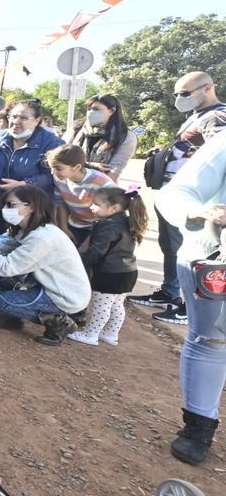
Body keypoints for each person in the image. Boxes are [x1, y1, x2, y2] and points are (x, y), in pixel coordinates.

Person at [131, 71, 226, 324]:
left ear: (208, 88)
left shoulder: (218, 117)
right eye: (177, 94)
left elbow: (216, 156)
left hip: (197, 200)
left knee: (191, 251)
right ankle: (170, 293)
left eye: (185, 93)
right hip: (175, 194)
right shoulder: (197, 116)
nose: (179, 99)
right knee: (171, 247)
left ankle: (188, 305)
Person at [156, 129, 226, 465]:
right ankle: (200, 424)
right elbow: (176, 194)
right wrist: (201, 212)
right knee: (212, 341)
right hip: (214, 257)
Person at [0, 185, 91, 345]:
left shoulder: (42, 238)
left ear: (32, 207)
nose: (5, 209)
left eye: (11, 205)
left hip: (64, 296)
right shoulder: (26, 229)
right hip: (48, 284)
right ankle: (12, 318)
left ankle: (59, 321)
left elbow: (6, 267)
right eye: (5, 205)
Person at [67, 186, 147, 346]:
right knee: (116, 305)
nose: (92, 207)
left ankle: (91, 334)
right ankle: (111, 334)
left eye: (96, 204)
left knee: (101, 306)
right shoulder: (127, 222)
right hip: (127, 272)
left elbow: (97, 251)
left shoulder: (108, 226)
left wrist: (82, 264)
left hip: (109, 274)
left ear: (114, 208)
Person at [0, 99, 65, 234]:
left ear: (36, 120)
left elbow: (53, 174)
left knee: (21, 248)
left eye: (23, 118)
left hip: (31, 210)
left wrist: (23, 184)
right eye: (13, 116)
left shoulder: (52, 143)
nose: (16, 121)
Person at [46, 144, 114, 246]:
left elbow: (110, 215)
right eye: (51, 168)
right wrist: (64, 228)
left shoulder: (101, 183)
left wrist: (88, 241)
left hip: (99, 228)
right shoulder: (59, 179)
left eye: (58, 168)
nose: (53, 173)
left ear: (77, 167)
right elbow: (61, 204)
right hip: (74, 225)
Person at [62, 94, 137, 182]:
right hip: (68, 186)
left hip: (100, 190)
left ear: (111, 111)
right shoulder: (77, 129)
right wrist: (89, 165)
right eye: (89, 109)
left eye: (96, 109)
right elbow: (59, 157)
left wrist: (79, 169)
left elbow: (113, 173)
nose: (90, 112)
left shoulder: (126, 137)